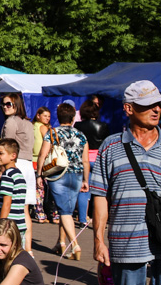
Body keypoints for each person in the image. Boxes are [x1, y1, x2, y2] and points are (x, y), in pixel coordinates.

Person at [91, 80, 161, 285]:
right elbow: (99, 196)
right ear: (129, 109)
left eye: (158, 104)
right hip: (125, 240)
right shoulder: (111, 146)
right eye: (147, 106)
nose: (156, 110)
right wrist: (98, 240)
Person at [36, 103, 88, 260]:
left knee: (64, 211)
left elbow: (42, 155)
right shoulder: (81, 135)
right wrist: (86, 179)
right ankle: (61, 242)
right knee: (67, 211)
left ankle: (75, 245)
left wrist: (39, 175)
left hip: (58, 174)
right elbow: (85, 160)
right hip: (77, 175)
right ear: (73, 118)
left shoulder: (52, 133)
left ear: (58, 117)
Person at [0, 92, 36, 252]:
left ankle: (11, 243)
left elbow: (6, 149)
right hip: (28, 165)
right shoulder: (28, 123)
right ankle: (27, 249)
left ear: (17, 104)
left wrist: (2, 171)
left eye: (9, 104)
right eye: (4, 104)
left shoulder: (11, 122)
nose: (5, 107)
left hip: (16, 164)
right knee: (24, 209)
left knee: (11, 206)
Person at [74, 98, 109, 227]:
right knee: (100, 191)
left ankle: (82, 219)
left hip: (83, 159)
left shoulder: (78, 126)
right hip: (98, 159)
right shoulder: (103, 126)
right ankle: (100, 219)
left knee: (84, 189)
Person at [0, 139, 27, 242]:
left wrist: (1, 225)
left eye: (1, 153)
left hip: (7, 227)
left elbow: (7, 203)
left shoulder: (7, 175)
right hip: (19, 225)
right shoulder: (18, 173)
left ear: (13, 156)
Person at [32, 107, 53, 224]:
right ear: (38, 115)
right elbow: (50, 141)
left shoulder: (32, 126)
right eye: (45, 116)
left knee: (37, 188)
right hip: (43, 160)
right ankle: (49, 213)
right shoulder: (43, 127)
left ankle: (39, 213)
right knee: (45, 188)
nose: (47, 118)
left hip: (33, 160)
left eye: (49, 116)